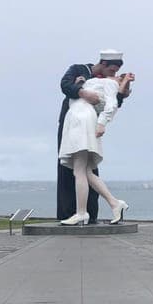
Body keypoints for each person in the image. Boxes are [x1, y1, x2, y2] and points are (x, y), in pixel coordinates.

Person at [56, 50, 133, 223]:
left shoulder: (107, 83)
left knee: (81, 170)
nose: (113, 75)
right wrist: (82, 91)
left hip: (83, 122)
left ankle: (85, 212)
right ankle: (112, 204)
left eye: (116, 74)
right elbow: (65, 85)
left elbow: (113, 104)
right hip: (72, 122)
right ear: (103, 64)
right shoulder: (79, 69)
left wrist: (121, 88)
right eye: (112, 71)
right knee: (82, 170)